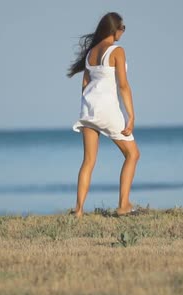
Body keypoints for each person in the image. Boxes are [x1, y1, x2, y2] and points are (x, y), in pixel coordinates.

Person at [67, 12, 140, 218]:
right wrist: (131, 115)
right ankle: (123, 205)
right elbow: (123, 86)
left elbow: (85, 84)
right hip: (108, 110)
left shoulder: (91, 53)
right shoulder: (117, 51)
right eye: (122, 28)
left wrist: (88, 107)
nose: (123, 32)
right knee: (133, 154)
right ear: (114, 29)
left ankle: (79, 211)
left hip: (89, 108)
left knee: (88, 161)